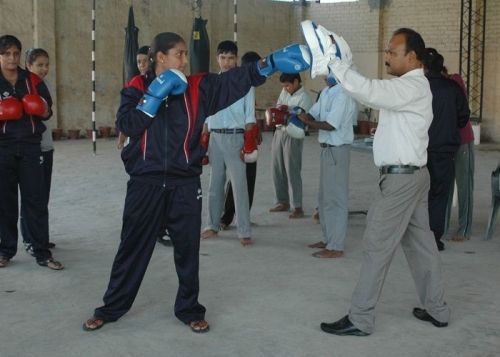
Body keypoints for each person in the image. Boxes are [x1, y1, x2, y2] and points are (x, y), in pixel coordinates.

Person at [82, 32, 311, 332]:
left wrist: (268, 64)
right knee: (132, 248)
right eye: (179, 54)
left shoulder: (198, 87)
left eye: (186, 54)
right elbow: (127, 125)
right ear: (160, 58)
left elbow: (234, 81)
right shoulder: (137, 86)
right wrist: (154, 96)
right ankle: (111, 307)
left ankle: (189, 309)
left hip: (184, 183)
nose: (185, 60)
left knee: (187, 249)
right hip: (145, 182)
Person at [301, 21, 450, 335]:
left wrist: (336, 63)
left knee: (376, 246)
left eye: (392, 52)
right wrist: (344, 62)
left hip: (401, 182)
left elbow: (368, 91)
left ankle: (361, 318)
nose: (387, 57)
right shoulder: (410, 86)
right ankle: (437, 309)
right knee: (422, 247)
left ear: (413, 57)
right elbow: (371, 89)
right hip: (412, 177)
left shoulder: (410, 86)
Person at [0, 35, 63, 270]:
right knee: (5, 202)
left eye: (15, 53)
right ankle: (5, 250)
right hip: (3, 147)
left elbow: (48, 111)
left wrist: (39, 106)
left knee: (35, 201)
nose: (12, 58)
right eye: (6, 53)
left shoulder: (33, 80)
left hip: (30, 146)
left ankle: (42, 252)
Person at [200, 41, 258, 246]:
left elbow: (250, 118)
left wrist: (249, 143)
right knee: (214, 185)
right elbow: (206, 114)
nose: (226, 62)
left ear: (236, 59)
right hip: (215, 137)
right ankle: (212, 225)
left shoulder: (246, 84)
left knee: (239, 186)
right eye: (223, 58)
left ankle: (244, 231)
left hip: (235, 137)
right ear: (217, 59)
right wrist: (203, 139)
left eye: (231, 58)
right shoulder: (211, 82)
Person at [296, 75, 358, 258]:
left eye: (328, 71)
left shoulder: (344, 94)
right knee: (324, 198)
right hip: (326, 149)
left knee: (336, 199)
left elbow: (331, 125)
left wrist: (306, 121)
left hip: (338, 150)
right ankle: (328, 238)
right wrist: (298, 114)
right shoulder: (325, 92)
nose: (324, 76)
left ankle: (336, 246)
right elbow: (313, 113)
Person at [423, 48, 469, 251]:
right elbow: (463, 117)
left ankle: (414, 237)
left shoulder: (416, 87)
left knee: (416, 194)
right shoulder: (453, 88)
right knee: (439, 194)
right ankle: (433, 238)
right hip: (444, 151)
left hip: (418, 150)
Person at [219, 51, 262, 231]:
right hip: (234, 136)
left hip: (247, 135)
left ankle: (243, 216)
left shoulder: (250, 84)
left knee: (249, 178)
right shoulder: (234, 83)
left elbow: (250, 113)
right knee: (236, 179)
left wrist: (254, 133)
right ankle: (226, 218)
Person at [21, 48, 56, 256]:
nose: (44, 69)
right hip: (31, 148)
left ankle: (40, 237)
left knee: (42, 196)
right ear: (28, 65)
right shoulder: (22, 86)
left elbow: (46, 114)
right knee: (31, 197)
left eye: (46, 64)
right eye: (39, 65)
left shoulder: (43, 85)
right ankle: (29, 239)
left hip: (46, 145)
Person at [269, 73, 313, 218]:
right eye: (284, 86)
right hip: (279, 131)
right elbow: (279, 107)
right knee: (277, 168)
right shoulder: (284, 91)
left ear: (296, 82)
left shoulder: (305, 97)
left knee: (292, 169)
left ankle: (297, 206)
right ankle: (282, 201)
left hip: (294, 134)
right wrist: (288, 110)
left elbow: (301, 118)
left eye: (288, 85)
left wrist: (287, 111)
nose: (286, 89)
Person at [444, 72, 475, 242]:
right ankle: (442, 226)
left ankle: (464, 228)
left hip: (463, 140)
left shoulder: (454, 80)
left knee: (464, 186)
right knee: (446, 186)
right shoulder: (428, 83)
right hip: (447, 142)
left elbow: (462, 110)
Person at [117, 45, 150, 150]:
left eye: (145, 61)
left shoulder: (163, 81)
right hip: (137, 136)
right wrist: (121, 139)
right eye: (139, 62)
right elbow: (127, 111)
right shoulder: (136, 82)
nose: (142, 65)